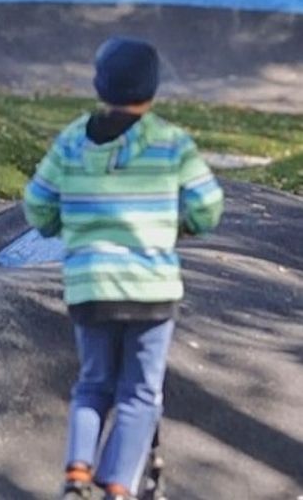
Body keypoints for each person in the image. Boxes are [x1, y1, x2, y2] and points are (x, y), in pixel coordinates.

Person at [23, 36, 224, 500]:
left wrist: (60, 223)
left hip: (91, 287)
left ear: (99, 87)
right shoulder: (171, 142)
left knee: (93, 383)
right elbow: (208, 208)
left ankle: (76, 476)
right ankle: (117, 486)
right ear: (152, 92)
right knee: (140, 393)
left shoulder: (72, 140)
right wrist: (184, 223)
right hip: (151, 290)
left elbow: (37, 206)